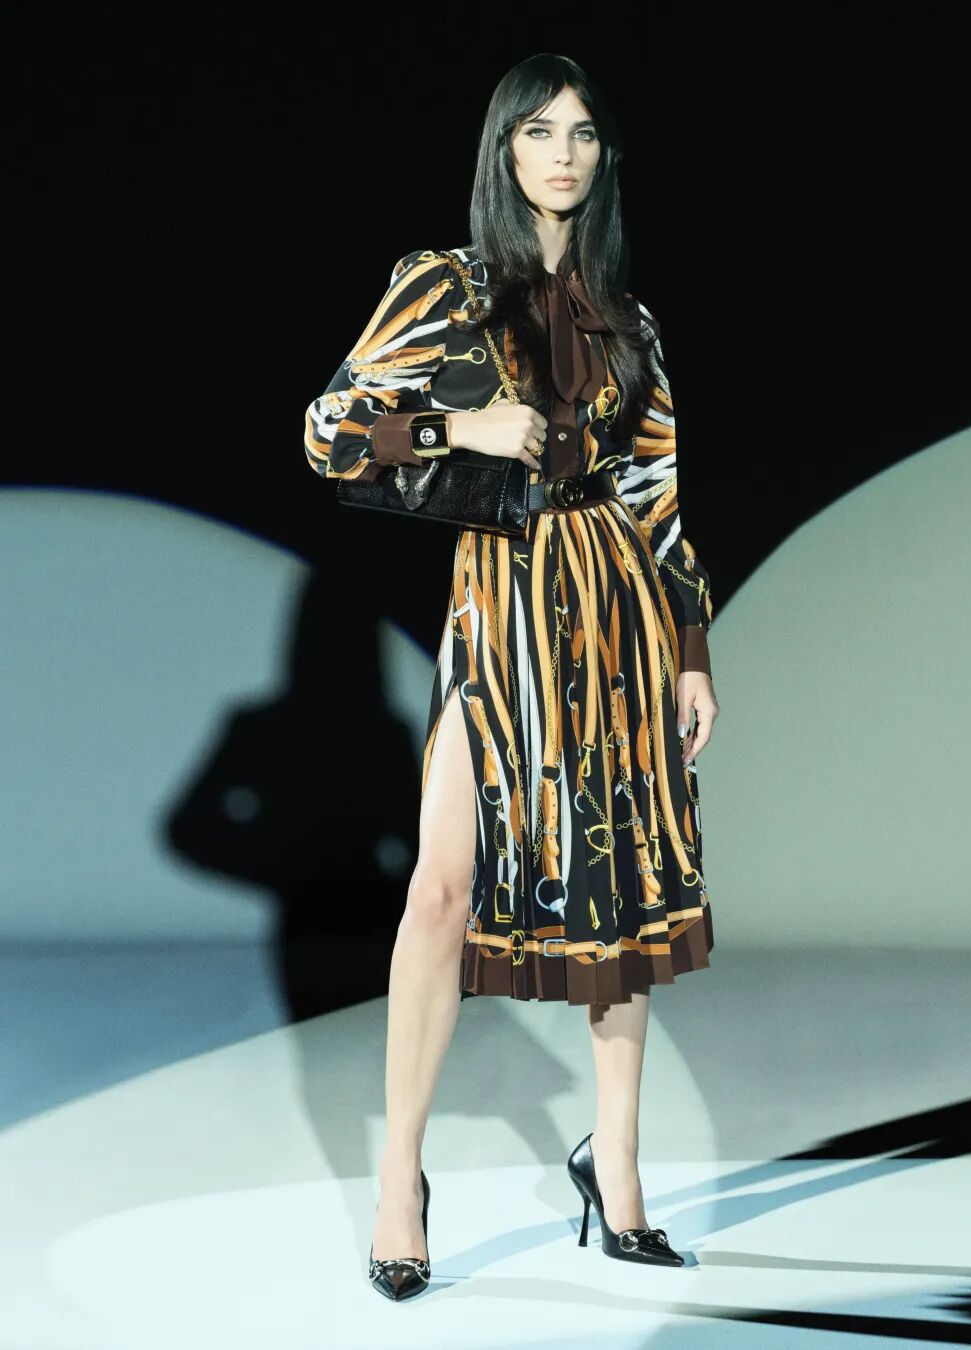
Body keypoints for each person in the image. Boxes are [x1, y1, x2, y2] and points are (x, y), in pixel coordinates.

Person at [303, 53, 718, 1300]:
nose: (563, 154)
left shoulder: (629, 319)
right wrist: (457, 426)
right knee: (440, 892)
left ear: (604, 158)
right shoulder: (446, 285)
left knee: (620, 894)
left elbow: (657, 495)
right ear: (505, 151)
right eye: (540, 132)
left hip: (618, 614)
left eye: (583, 135)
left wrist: (691, 651)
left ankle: (618, 1169)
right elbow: (328, 434)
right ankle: (400, 1184)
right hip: (502, 608)